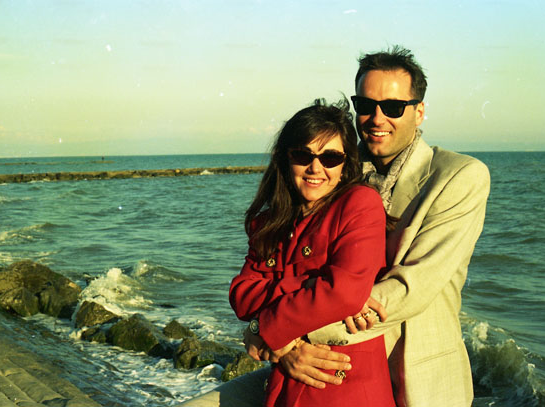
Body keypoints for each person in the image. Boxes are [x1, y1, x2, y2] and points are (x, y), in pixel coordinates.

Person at [181, 46, 490, 407]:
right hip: (314, 365)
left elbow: (409, 290)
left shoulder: (457, 176)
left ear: (419, 111)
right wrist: (278, 339)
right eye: (366, 105)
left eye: (393, 107)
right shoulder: (335, 166)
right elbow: (254, 282)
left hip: (413, 376)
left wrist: (277, 335)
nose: (377, 118)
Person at [229, 98, 395, 406]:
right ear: (285, 159)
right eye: (303, 155)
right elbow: (241, 295)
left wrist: (263, 327)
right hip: (282, 386)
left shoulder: (359, 205)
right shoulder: (268, 223)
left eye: (330, 157)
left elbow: (344, 293)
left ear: (345, 165)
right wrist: (309, 289)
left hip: (345, 387)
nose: (316, 167)